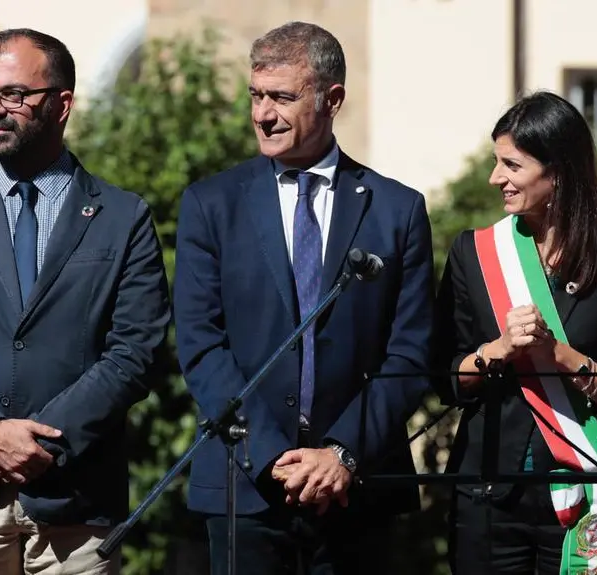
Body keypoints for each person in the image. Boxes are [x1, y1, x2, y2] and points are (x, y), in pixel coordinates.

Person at [0, 28, 170, 575]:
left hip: (76, 496)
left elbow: (135, 352)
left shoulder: (122, 217)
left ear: (62, 104)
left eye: (15, 95)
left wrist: (42, 444)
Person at [174, 20, 434, 575]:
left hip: (358, 492)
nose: (262, 114)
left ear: (332, 98)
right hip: (246, 488)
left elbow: (410, 355)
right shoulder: (210, 204)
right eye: (256, 95)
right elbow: (201, 346)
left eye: (282, 98)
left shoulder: (398, 210)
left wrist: (341, 452)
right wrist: (273, 458)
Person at [433, 91, 597, 574]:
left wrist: (559, 355)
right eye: (497, 163)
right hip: (489, 497)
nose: (496, 178)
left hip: (585, 499)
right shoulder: (474, 255)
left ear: (557, 172)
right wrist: (498, 349)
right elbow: (444, 381)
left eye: (511, 166)